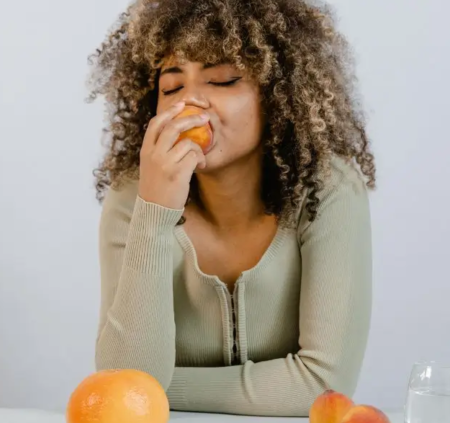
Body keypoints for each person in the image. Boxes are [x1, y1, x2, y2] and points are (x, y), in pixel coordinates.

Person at [85, 0, 376, 416]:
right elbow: (123, 386)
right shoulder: (134, 196)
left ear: (278, 94)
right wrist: (154, 211)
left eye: (222, 80)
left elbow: (323, 383)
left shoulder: (326, 188)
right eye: (171, 87)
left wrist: (162, 388)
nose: (190, 103)